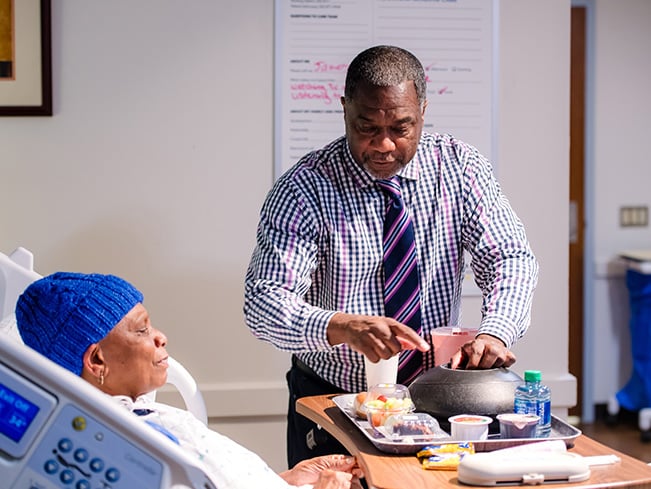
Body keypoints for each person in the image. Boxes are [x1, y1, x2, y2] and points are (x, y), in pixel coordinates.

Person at [243, 45, 539, 467]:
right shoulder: (304, 189)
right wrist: (340, 326)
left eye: (402, 127)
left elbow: (510, 257)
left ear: (423, 109)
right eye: (366, 126)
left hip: (435, 398)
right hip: (332, 401)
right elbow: (265, 302)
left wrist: (496, 330)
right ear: (345, 109)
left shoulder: (459, 168)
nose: (384, 144)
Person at [16, 272, 364, 489]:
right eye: (141, 330)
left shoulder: (148, 418)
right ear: (96, 361)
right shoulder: (128, 454)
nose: (160, 337)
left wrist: (288, 479)